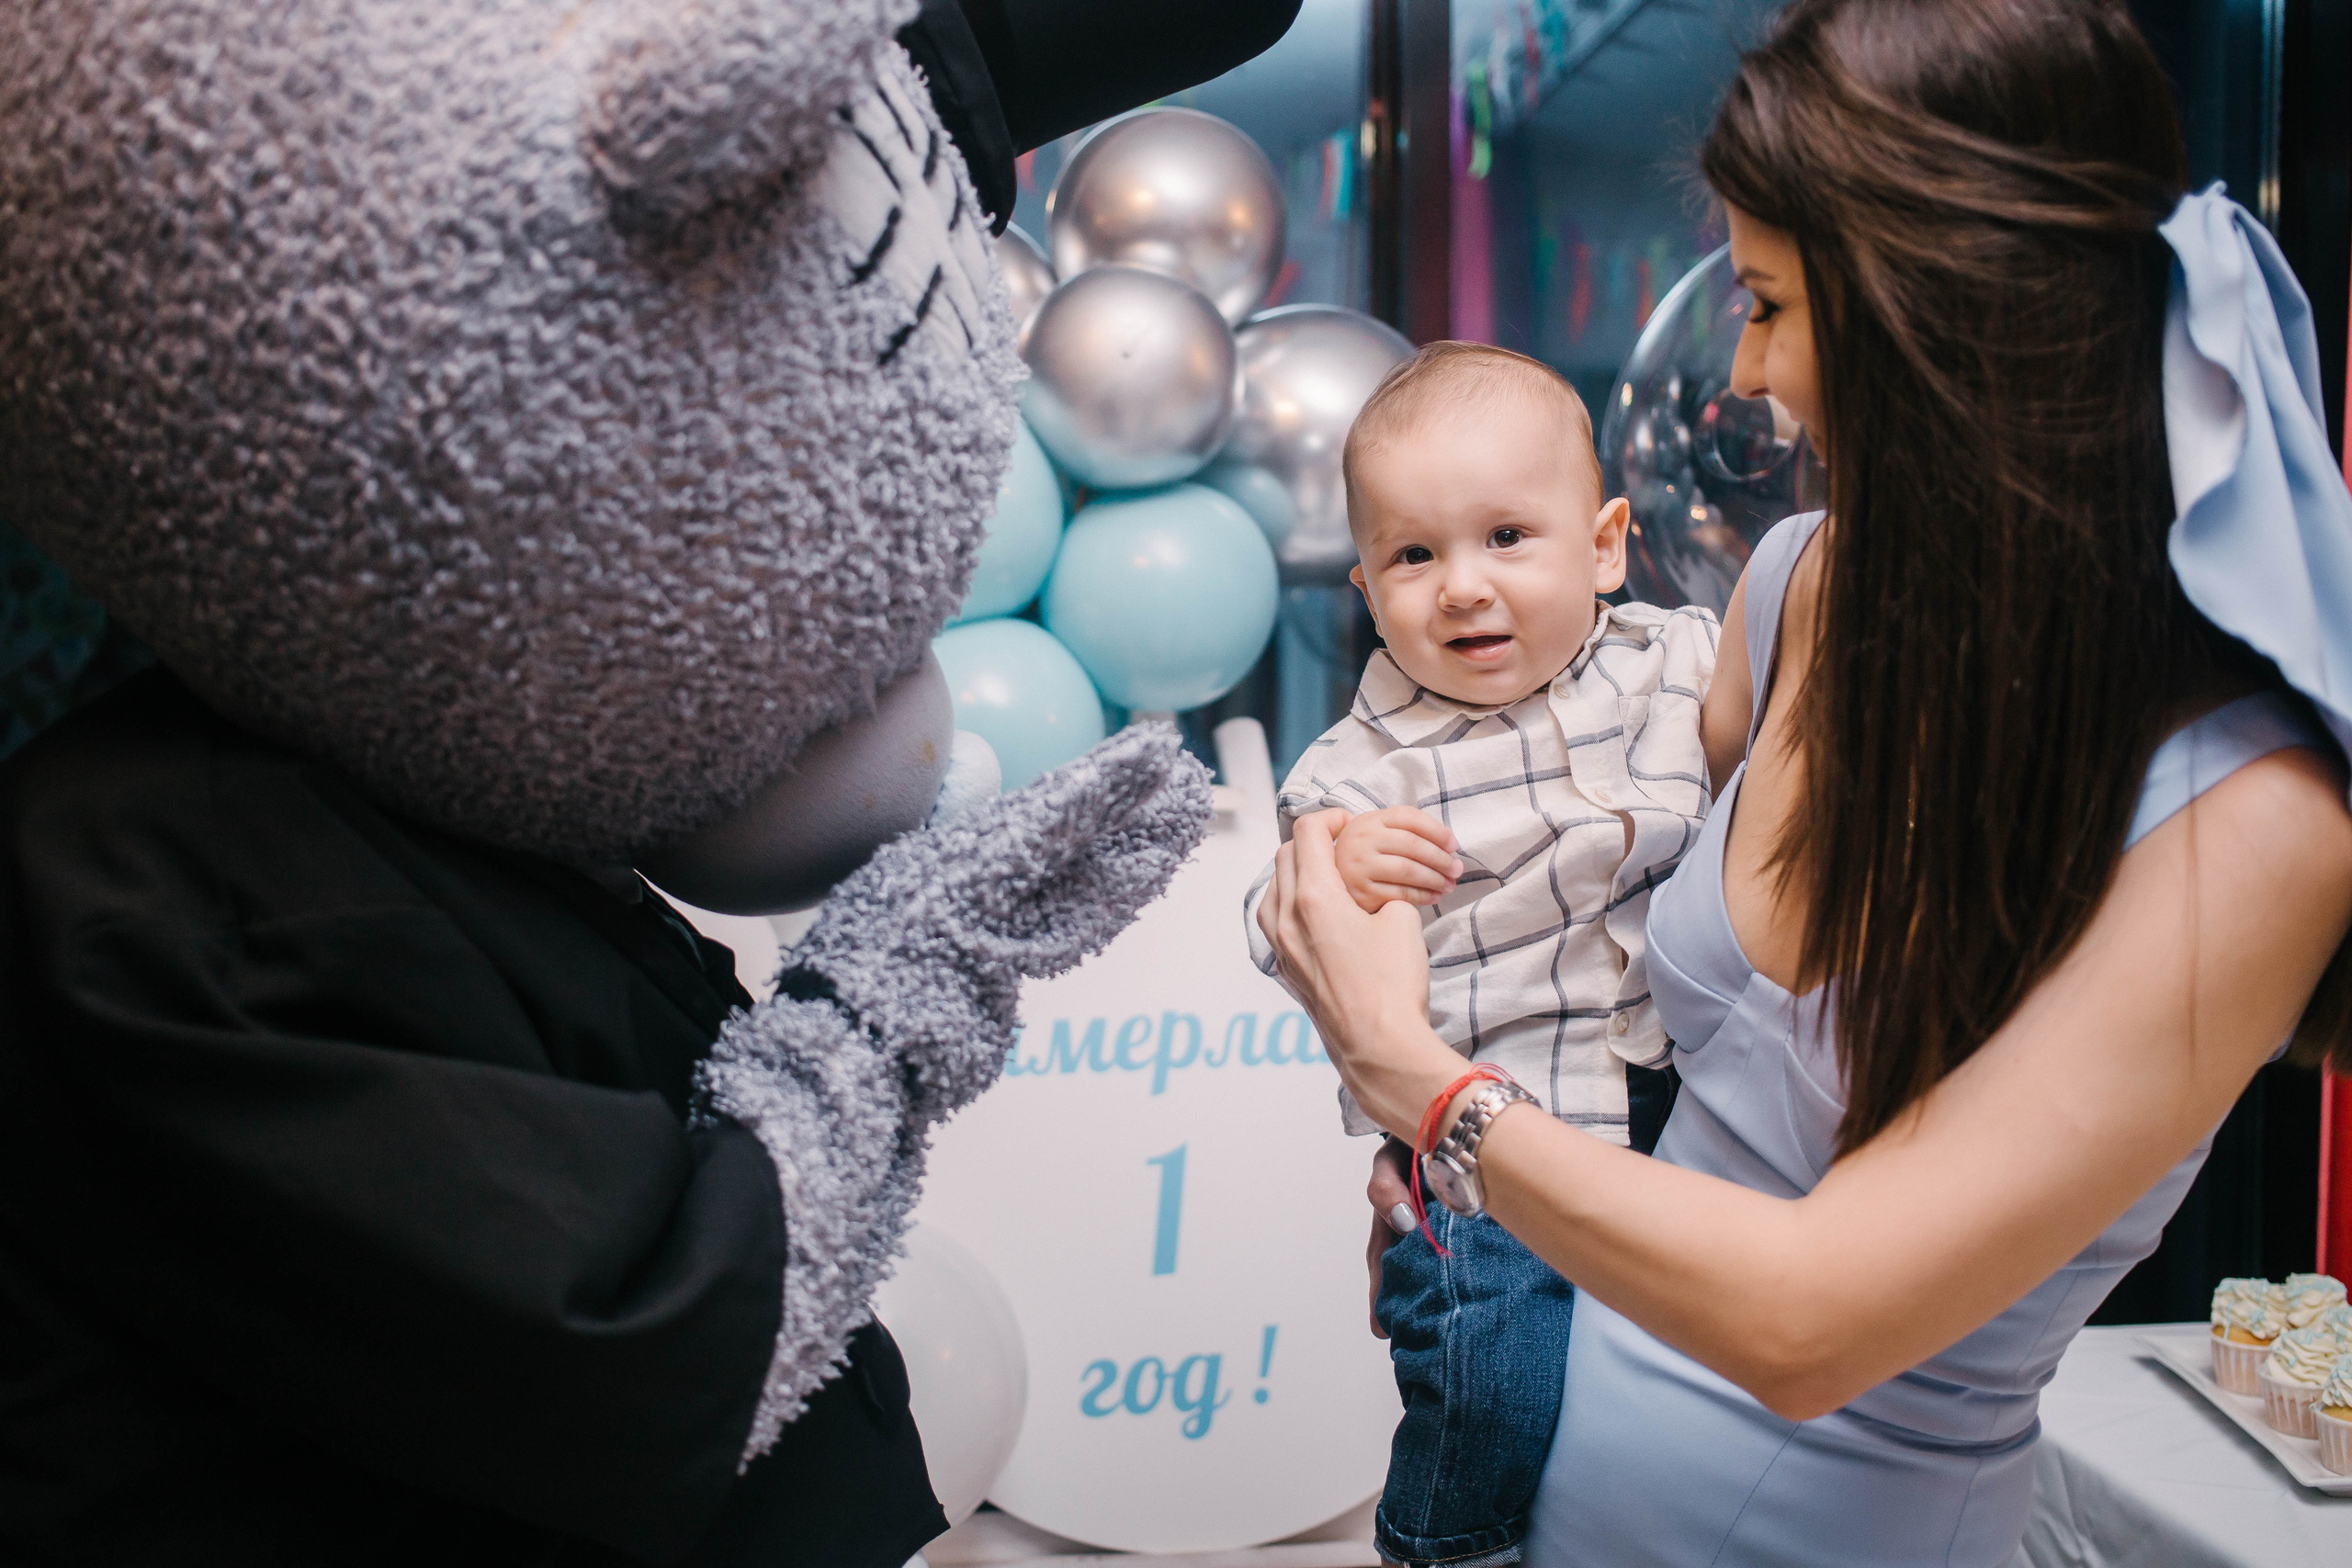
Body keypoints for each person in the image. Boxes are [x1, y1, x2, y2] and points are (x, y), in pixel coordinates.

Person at [1255, 0, 2352, 1562]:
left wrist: (1422, 1085)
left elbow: (1812, 1317)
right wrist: (1492, 1190)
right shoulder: (1802, 589)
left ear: (1933, 312)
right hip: (1550, 1488)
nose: (1751, 373)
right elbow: (1604, 938)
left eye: (1768, 303)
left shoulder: (2247, 819)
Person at [1243, 343, 1734, 1568]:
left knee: (1660, 1412)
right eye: (1415, 556)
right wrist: (1343, 872)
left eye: (1508, 536)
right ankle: (1445, 1547)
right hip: (1484, 1158)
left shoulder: (1677, 661)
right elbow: (1275, 915)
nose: (1462, 587)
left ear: (1607, 543)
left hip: (1681, 1120)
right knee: (1494, 1389)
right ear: (1366, 585)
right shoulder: (1368, 761)